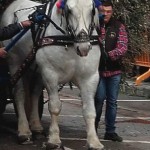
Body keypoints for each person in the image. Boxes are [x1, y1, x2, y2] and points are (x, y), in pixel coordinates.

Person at [95, 1, 128, 142]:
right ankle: (93, 129)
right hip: (99, 71)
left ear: (112, 12)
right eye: (103, 11)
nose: (106, 14)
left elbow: (122, 46)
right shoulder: (95, 26)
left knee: (112, 102)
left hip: (114, 71)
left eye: (109, 11)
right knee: (98, 99)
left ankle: (110, 131)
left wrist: (108, 55)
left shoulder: (119, 26)